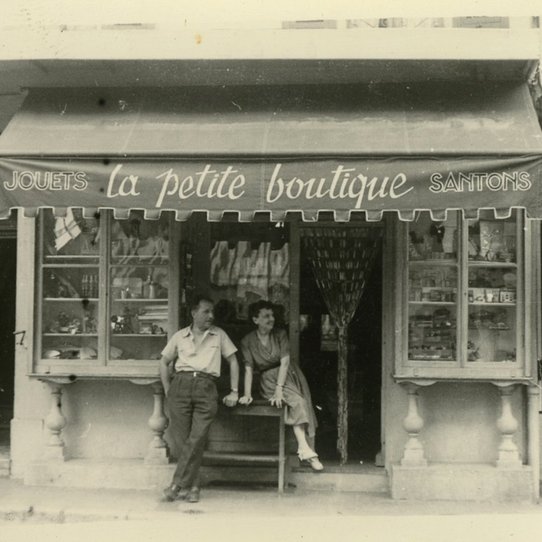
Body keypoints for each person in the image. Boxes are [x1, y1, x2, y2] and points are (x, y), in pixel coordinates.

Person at [160, 294, 240, 503]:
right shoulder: (179, 336)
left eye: (212, 312)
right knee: (182, 441)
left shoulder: (219, 335)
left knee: (196, 439)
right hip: (180, 385)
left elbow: (233, 361)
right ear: (194, 313)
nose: (211, 316)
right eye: (206, 312)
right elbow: (164, 362)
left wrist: (234, 390)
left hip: (206, 387)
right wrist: (169, 389)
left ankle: (177, 484)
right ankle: (194, 486)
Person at [239, 300, 323, 471]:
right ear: (255, 320)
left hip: (287, 375)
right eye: (266, 316)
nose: (271, 319)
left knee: (300, 402)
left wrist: (279, 390)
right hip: (267, 380)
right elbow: (248, 369)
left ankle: (305, 449)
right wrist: (247, 394)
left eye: (272, 316)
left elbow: (285, 363)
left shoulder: (280, 334)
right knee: (297, 403)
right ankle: (305, 450)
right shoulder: (247, 341)